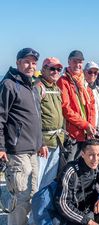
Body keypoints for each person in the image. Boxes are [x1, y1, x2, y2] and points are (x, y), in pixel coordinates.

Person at [0, 48, 42, 225]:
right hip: (17, 151)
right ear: (18, 63)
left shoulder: (32, 86)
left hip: (32, 150)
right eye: (26, 61)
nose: (30, 66)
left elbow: (35, 118)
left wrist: (41, 143)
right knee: (21, 196)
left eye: (33, 63)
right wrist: (1, 147)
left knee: (32, 194)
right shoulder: (10, 84)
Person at [54, 139, 99, 225]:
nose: (95, 159)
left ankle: (95, 222)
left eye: (98, 155)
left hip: (88, 207)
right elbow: (62, 204)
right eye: (91, 155)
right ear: (83, 154)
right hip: (73, 213)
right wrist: (87, 221)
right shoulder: (71, 171)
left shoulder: (97, 165)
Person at [57, 50, 96, 162]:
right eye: (75, 61)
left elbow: (91, 106)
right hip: (72, 134)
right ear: (69, 61)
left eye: (80, 62)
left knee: (82, 167)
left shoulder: (83, 82)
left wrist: (91, 127)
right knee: (68, 166)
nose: (78, 65)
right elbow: (66, 109)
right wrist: (86, 125)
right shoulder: (63, 81)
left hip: (86, 134)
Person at [35, 57, 64, 190]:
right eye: (52, 68)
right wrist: (40, 142)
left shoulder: (57, 89)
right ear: (44, 69)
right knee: (37, 181)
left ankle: (41, 210)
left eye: (58, 69)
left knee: (48, 181)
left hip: (57, 141)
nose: (56, 71)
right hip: (43, 144)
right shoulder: (38, 87)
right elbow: (34, 118)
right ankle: (31, 210)